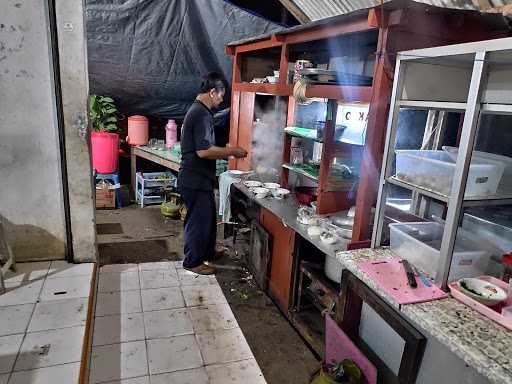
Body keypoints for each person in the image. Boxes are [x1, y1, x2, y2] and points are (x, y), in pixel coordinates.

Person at [178, 72, 247, 275]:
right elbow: (204, 151)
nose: (220, 101)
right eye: (220, 96)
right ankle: (192, 261)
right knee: (198, 222)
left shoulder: (198, 111)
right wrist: (233, 151)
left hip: (199, 179)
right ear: (212, 91)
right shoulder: (201, 113)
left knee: (206, 219)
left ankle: (206, 252)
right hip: (194, 179)